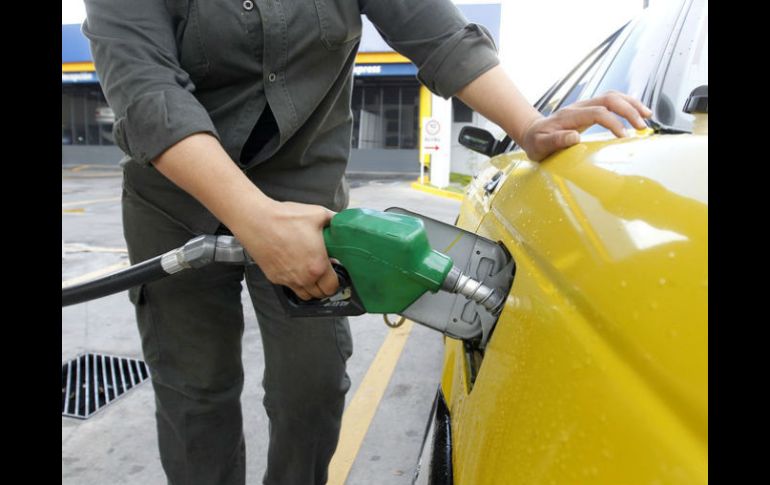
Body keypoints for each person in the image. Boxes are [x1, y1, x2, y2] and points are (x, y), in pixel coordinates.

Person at [82, 1, 651, 484]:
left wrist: (528, 125)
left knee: (313, 387)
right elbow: (146, 89)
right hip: (175, 195)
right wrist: (255, 219)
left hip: (305, 185)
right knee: (195, 391)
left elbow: (438, 34)